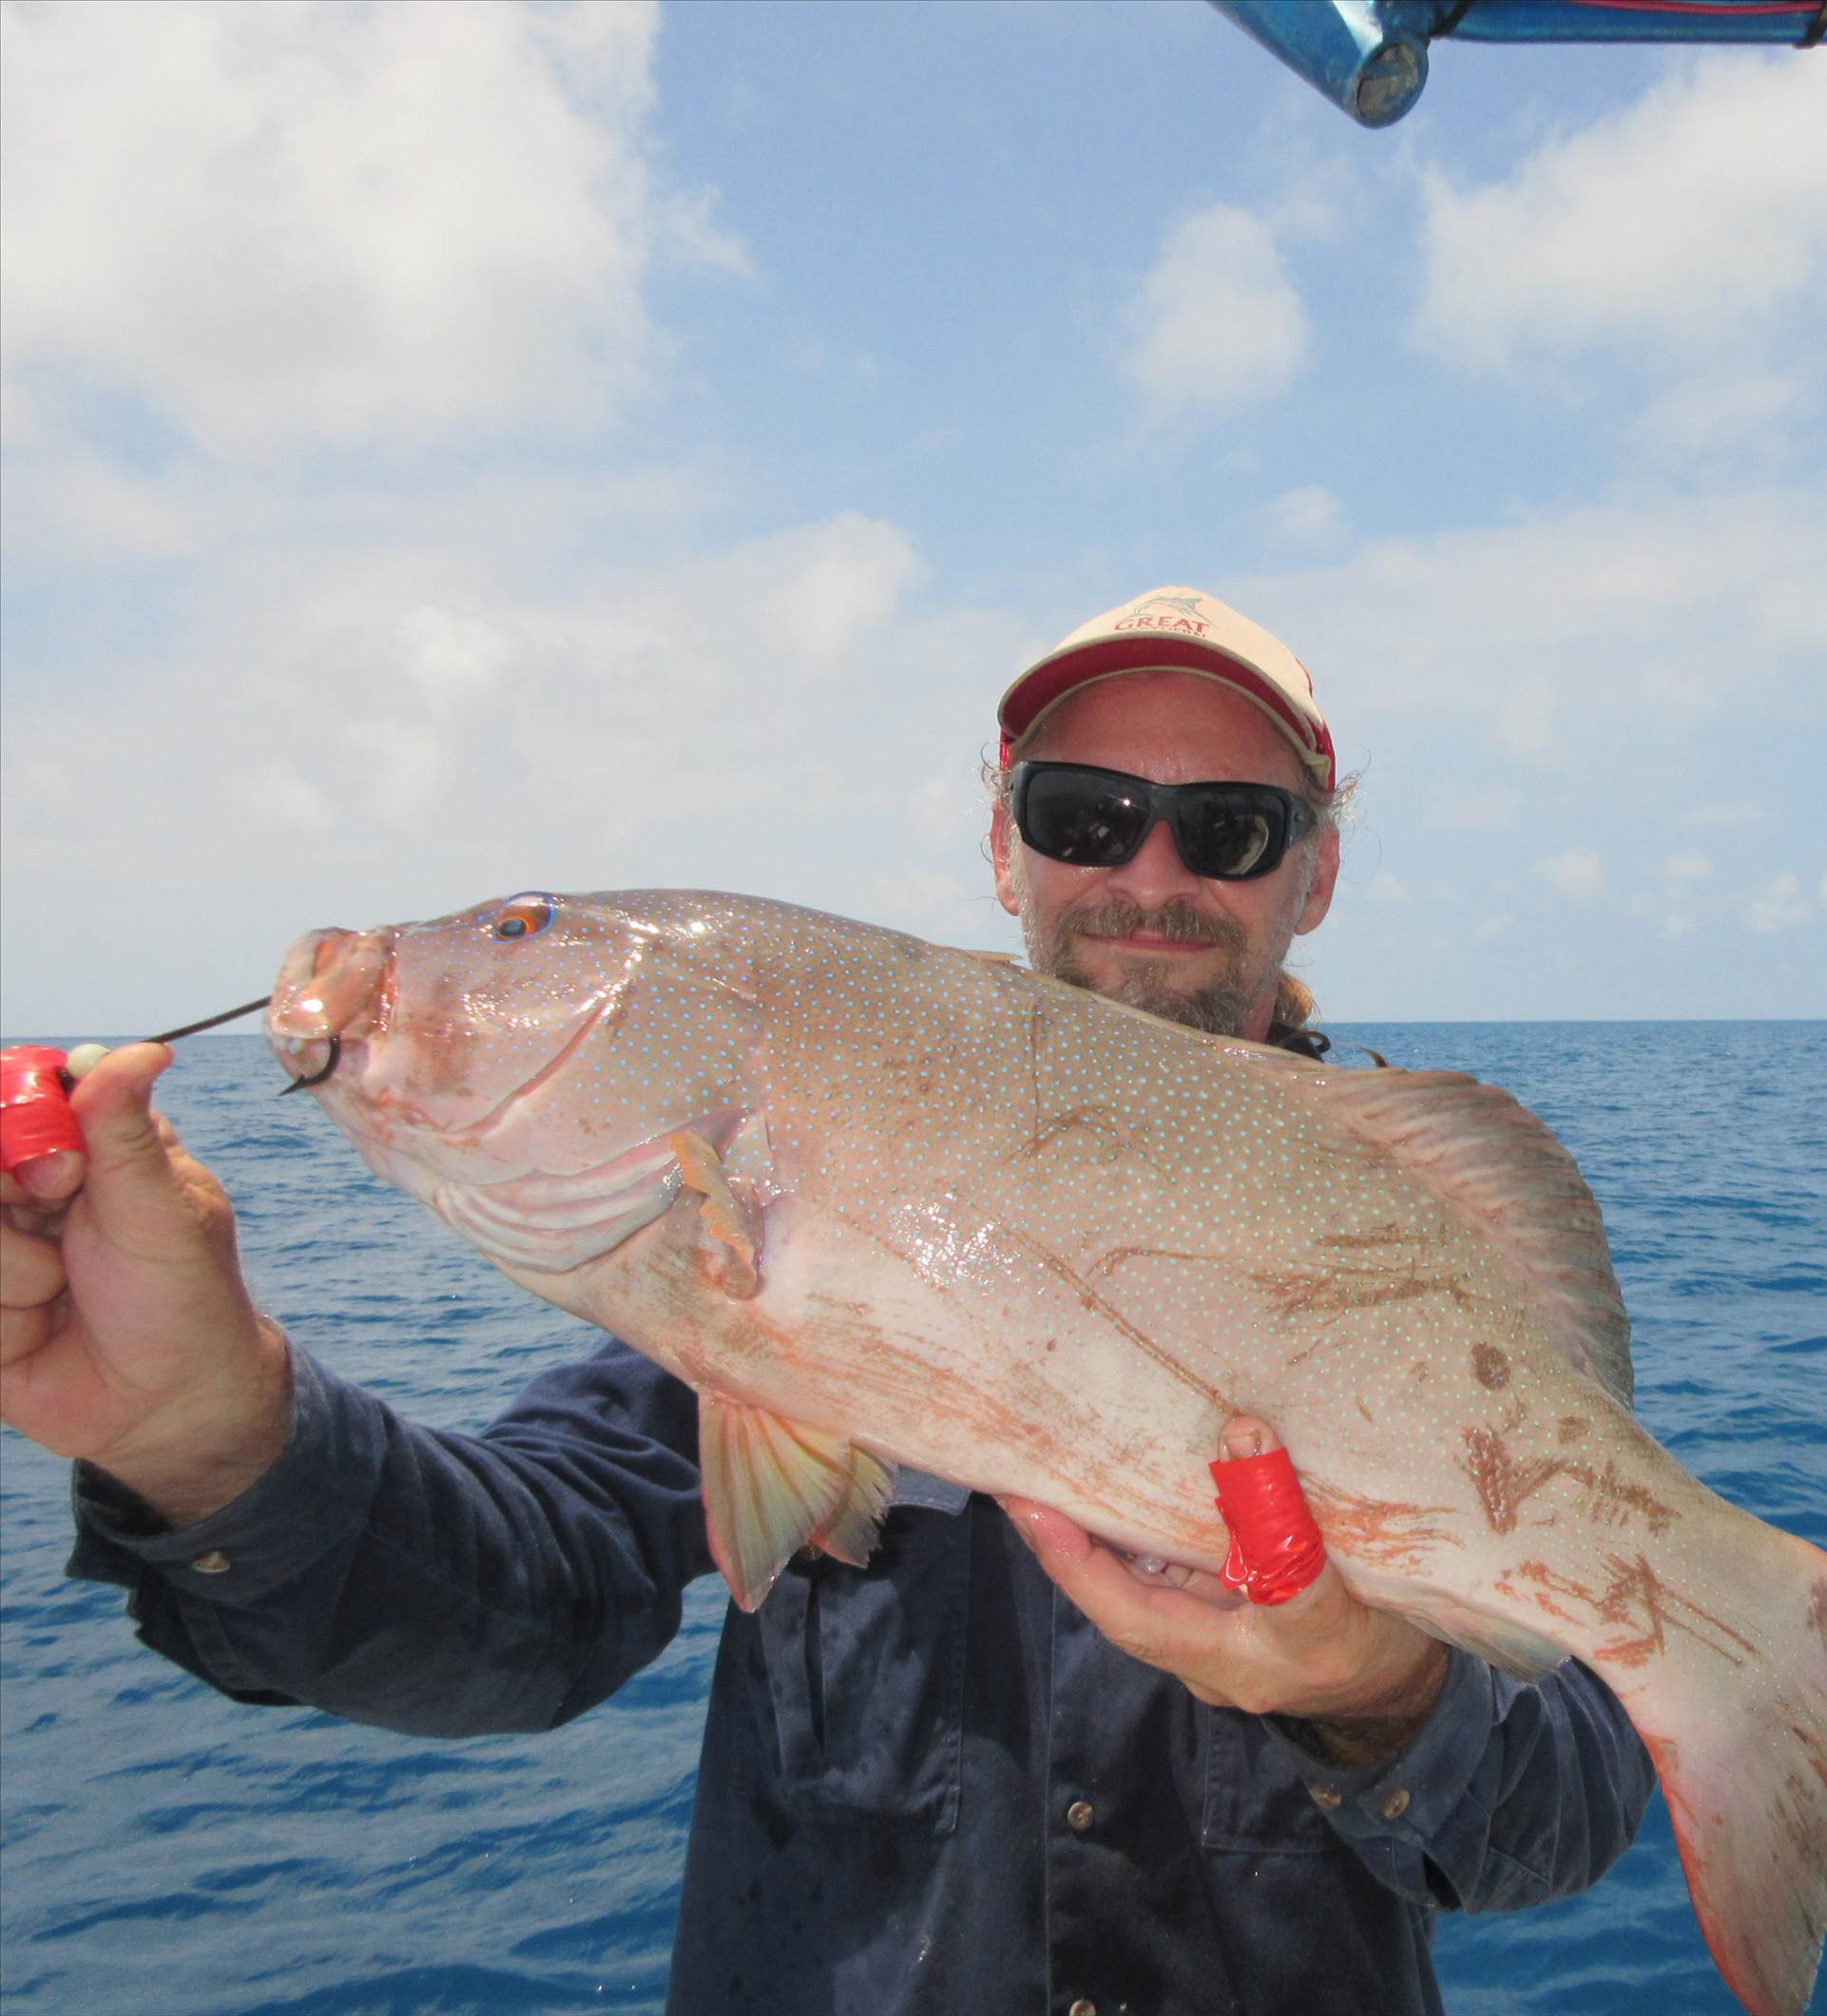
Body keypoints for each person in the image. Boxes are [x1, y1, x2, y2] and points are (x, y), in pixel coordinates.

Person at [0, 586, 1655, 2016]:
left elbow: (1571, 1801)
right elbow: (524, 1595)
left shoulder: (1423, 1268)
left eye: (1227, 826)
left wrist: (1375, 1686)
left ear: (1319, 869)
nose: (1149, 873)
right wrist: (211, 1434)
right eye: (1084, 812)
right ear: (1005, 843)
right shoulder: (761, 1233)